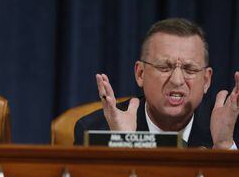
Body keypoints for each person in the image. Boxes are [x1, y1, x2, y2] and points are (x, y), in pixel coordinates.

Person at [74, 18, 239, 149]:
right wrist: (123, 146)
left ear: (206, 80)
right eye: (164, 67)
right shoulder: (94, 130)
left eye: (190, 69)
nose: (177, 80)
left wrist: (224, 147)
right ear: (140, 74)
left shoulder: (230, 130)